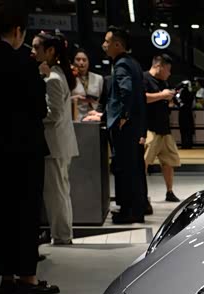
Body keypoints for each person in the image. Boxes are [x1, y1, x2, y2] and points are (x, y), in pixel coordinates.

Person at [0, 2, 59, 294]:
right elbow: (39, 108)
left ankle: (5, 276)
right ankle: (27, 278)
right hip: (25, 149)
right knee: (26, 212)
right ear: (18, 31)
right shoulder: (25, 64)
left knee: (1, 213)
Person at [33, 31, 79, 246]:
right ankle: (62, 234)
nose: (33, 51)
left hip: (54, 144)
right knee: (60, 191)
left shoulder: (53, 78)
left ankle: (61, 235)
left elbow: (54, 114)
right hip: (60, 143)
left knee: (56, 193)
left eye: (37, 47)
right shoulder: (57, 74)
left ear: (50, 51)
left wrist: (34, 115)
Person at [103, 26, 147, 224]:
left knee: (125, 169)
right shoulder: (133, 63)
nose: (104, 45)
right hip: (135, 126)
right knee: (135, 168)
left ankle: (128, 211)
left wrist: (123, 115)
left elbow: (126, 91)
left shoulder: (121, 65)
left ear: (117, 44)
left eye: (107, 41)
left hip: (125, 127)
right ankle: (138, 208)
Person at [144, 54, 181, 203]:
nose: (169, 73)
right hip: (149, 128)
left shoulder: (164, 82)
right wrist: (162, 95)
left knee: (169, 162)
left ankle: (169, 191)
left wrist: (169, 99)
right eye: (168, 69)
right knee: (143, 162)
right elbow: (142, 98)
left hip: (164, 128)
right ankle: (141, 194)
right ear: (159, 66)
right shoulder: (144, 78)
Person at [72, 49, 103, 121]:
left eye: (84, 60)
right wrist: (75, 98)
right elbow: (64, 99)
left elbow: (101, 100)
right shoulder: (70, 79)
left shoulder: (98, 78)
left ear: (88, 61)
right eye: (78, 59)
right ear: (74, 61)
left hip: (94, 116)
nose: (81, 62)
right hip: (75, 117)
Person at [177, 80, 195, 149]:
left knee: (183, 129)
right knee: (189, 129)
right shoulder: (190, 93)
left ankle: (184, 144)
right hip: (188, 112)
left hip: (182, 112)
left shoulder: (181, 92)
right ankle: (189, 144)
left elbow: (177, 100)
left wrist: (180, 103)